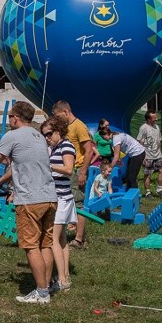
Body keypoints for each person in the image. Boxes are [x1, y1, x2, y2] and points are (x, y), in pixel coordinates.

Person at [0, 101, 58, 304]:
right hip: (49, 197)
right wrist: (1, 181)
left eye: (10, 116)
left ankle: (41, 293)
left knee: (30, 246)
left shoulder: (12, 136)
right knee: (45, 244)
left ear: (16, 117)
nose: (8, 120)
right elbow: (20, 165)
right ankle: (48, 284)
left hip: (30, 199)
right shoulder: (38, 136)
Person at [51, 101, 94, 250]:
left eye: (58, 116)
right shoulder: (66, 128)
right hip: (67, 170)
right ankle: (73, 234)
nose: (57, 119)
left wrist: (83, 171)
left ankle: (79, 240)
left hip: (76, 170)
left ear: (66, 112)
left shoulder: (78, 126)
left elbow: (89, 150)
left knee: (78, 204)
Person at [40, 116, 76, 293]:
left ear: (59, 130)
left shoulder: (66, 146)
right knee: (61, 239)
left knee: (52, 239)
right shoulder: (54, 148)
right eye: (44, 135)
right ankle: (65, 276)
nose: (47, 137)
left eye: (49, 133)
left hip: (61, 198)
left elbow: (69, 170)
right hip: (60, 197)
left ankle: (61, 279)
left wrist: (50, 166)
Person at [137, 111, 162, 197]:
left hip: (158, 155)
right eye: (154, 118)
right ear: (148, 119)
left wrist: (161, 153)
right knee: (148, 174)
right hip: (148, 155)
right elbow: (139, 142)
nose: (156, 119)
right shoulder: (143, 128)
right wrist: (142, 157)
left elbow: (159, 141)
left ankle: (159, 190)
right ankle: (148, 192)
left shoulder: (157, 127)